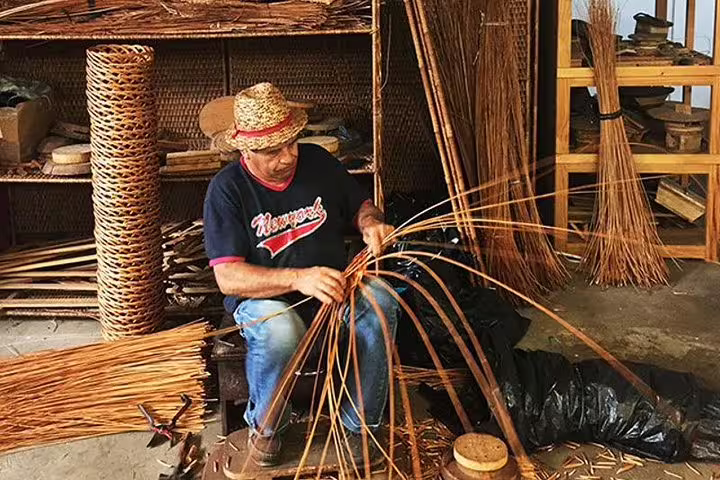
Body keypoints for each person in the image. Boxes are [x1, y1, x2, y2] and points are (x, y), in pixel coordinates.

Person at [203, 83, 399, 467]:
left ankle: (358, 427)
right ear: (246, 149)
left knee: (381, 303)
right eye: (274, 149)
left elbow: (359, 202)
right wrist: (298, 279)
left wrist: (371, 222)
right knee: (281, 332)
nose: (289, 156)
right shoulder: (227, 190)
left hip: (334, 288)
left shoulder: (317, 162)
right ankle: (267, 431)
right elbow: (229, 277)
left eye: (292, 142)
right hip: (266, 301)